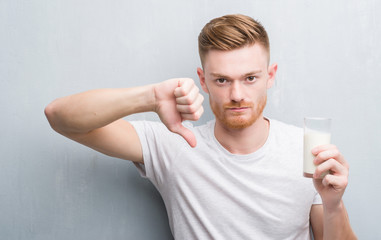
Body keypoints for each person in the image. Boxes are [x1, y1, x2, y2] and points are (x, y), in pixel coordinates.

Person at [45, 14, 356, 239]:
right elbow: (59, 116)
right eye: (222, 80)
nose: (237, 95)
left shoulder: (305, 148)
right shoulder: (175, 143)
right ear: (203, 79)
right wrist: (150, 97)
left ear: (270, 76)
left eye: (250, 78)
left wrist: (333, 204)